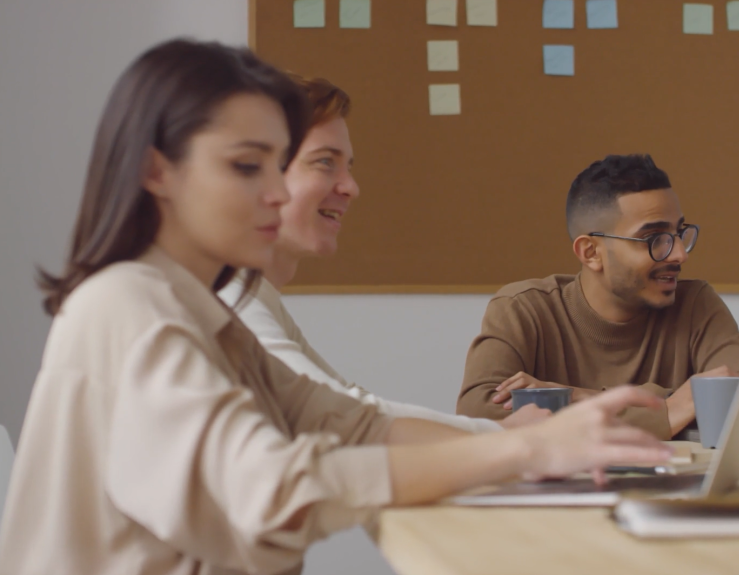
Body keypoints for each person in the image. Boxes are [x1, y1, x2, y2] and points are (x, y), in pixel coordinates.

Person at [0, 40, 672, 575]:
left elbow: (353, 425)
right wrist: (521, 450)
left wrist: (538, 445)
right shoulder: (127, 303)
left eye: (279, 165)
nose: (275, 192)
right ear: (157, 171)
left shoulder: (207, 317)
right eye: (247, 167)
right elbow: (270, 491)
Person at [219, 75, 544, 433]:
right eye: (325, 162)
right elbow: (339, 414)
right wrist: (504, 435)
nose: (351, 187)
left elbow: (348, 400)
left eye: (348, 167)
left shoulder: (254, 295)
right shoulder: (226, 299)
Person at [456, 154, 739, 440]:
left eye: (678, 233)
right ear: (591, 253)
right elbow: (479, 416)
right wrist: (671, 409)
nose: (679, 254)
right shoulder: (524, 308)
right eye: (654, 239)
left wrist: (575, 398)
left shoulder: (695, 304)